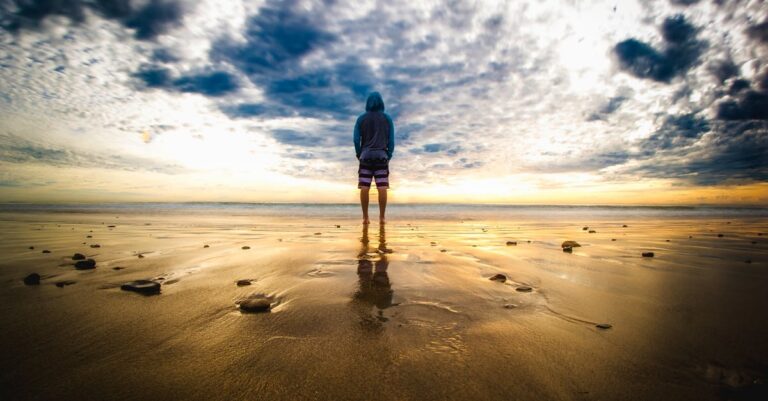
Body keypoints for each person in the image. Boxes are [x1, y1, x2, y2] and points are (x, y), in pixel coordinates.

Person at [353, 92, 395, 224]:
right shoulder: (387, 118)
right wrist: (389, 154)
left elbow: (355, 139)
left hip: (365, 156)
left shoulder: (361, 119)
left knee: (364, 187)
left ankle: (365, 218)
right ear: (381, 102)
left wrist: (359, 153)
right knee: (382, 187)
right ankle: (382, 217)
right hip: (381, 156)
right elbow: (391, 140)